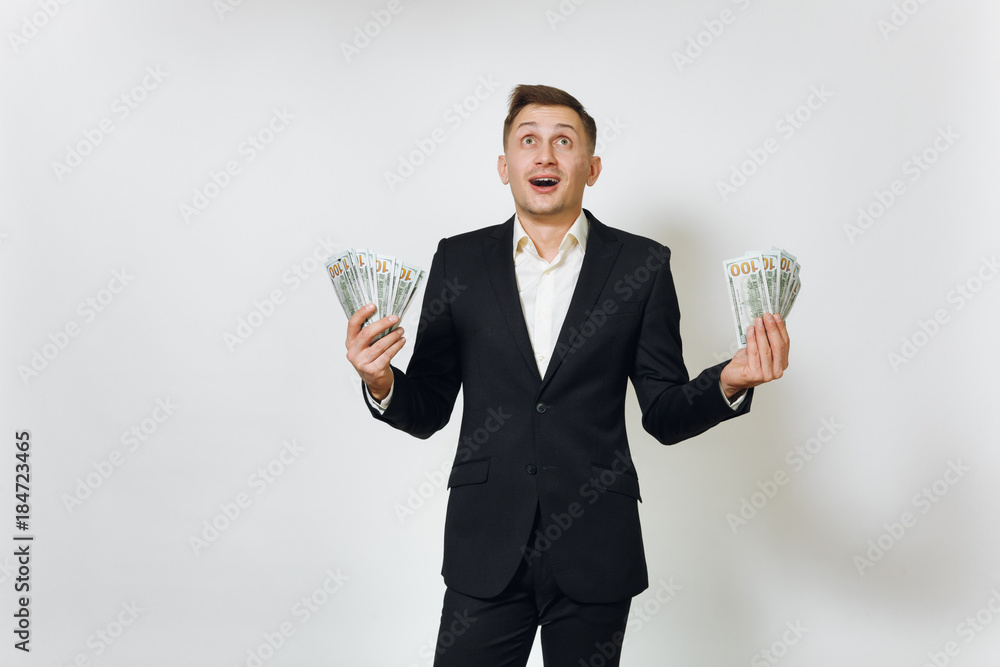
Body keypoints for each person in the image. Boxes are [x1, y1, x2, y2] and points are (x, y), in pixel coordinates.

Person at [345, 84, 789, 666]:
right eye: (528, 141)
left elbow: (663, 413)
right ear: (505, 166)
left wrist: (729, 381)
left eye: (563, 141)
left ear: (591, 167)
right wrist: (381, 382)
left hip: (596, 544)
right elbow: (428, 406)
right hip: (486, 543)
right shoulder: (458, 261)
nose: (545, 155)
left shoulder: (641, 265)